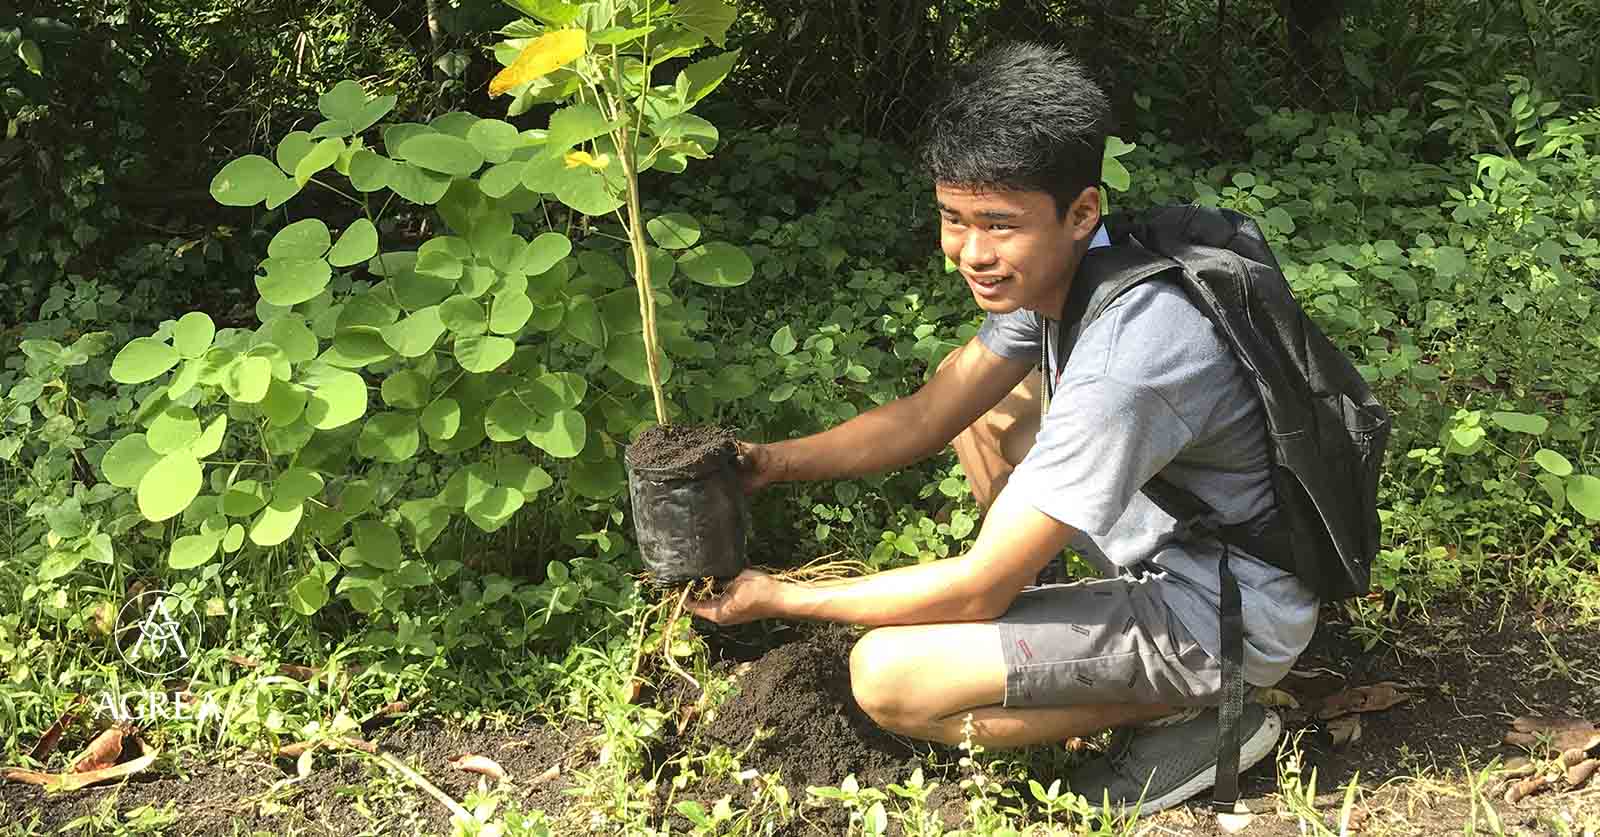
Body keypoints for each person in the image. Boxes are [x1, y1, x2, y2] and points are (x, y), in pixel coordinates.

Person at [684, 42, 1317, 814]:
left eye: (998, 225)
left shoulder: (1129, 360)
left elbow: (981, 584)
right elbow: (930, 412)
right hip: (1182, 542)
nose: (970, 253)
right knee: (984, 401)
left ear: (1082, 211)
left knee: (889, 675)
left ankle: (1199, 709)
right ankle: (1065, 632)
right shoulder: (1075, 266)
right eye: (953, 218)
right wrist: (770, 463)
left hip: (1225, 614)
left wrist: (780, 596)